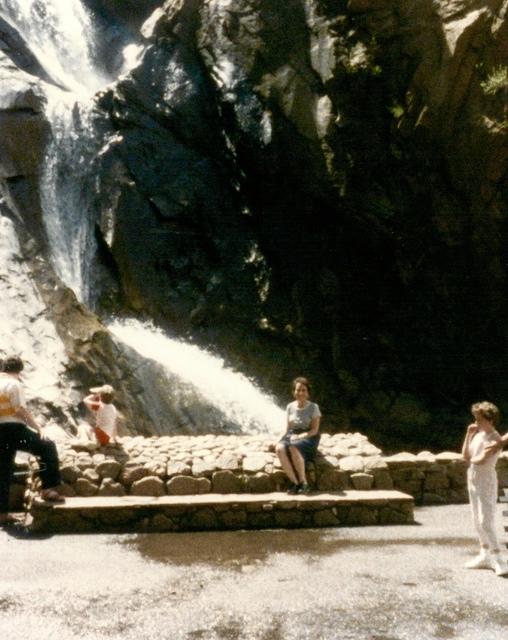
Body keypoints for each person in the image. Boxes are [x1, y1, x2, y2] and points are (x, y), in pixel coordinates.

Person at [0, 355, 64, 526]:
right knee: (46, 446)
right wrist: (38, 428)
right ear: (19, 370)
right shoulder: (14, 384)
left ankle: (2, 514)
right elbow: (19, 410)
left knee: (3, 470)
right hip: (14, 430)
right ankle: (48, 489)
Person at [461, 401, 508, 576]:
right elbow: (465, 455)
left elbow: (479, 460)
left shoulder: (495, 439)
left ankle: (499, 559)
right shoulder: (478, 435)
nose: (476, 423)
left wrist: (481, 455)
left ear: (490, 420)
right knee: (475, 519)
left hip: (486, 479)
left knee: (485, 521)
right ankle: (484, 554)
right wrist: (468, 434)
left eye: (479, 419)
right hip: (472, 477)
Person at [275, 376, 321, 494]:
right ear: (293, 392)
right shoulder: (290, 406)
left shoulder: (313, 407)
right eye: (298, 390)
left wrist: (301, 436)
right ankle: (295, 483)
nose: (300, 393)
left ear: (308, 392)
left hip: (309, 437)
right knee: (279, 448)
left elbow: (315, 430)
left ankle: (304, 482)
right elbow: (286, 428)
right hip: (291, 434)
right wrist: (277, 440)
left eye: (303, 390)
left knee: (293, 446)